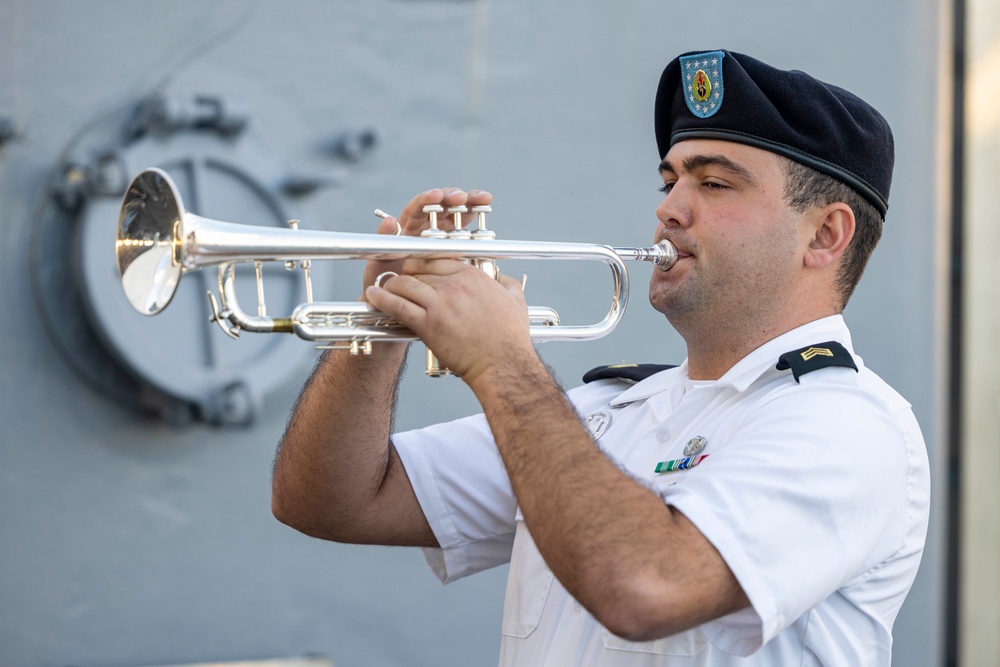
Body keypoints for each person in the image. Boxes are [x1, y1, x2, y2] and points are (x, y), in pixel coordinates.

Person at [271, 49, 930, 665]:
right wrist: (379, 328)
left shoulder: (849, 424)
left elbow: (646, 588)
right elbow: (332, 501)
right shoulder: (601, 409)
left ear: (825, 233)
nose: (668, 208)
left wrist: (504, 365)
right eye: (671, 179)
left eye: (715, 184)